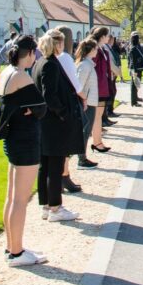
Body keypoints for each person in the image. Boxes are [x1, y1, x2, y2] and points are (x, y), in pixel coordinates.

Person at [0, 35, 49, 267]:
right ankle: (17, 252)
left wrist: (30, 109)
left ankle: (12, 246)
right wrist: (31, 109)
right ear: (28, 53)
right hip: (25, 139)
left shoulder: (6, 72)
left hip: (14, 138)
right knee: (20, 199)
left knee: (12, 197)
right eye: (34, 53)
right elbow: (41, 106)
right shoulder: (20, 76)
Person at [32, 29, 84, 223]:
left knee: (45, 165)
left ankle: (47, 205)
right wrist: (63, 113)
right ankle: (55, 207)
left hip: (46, 122)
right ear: (57, 44)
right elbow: (50, 95)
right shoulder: (51, 64)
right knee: (55, 165)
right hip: (54, 122)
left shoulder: (40, 63)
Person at [55, 27, 87, 186]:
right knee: (66, 142)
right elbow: (75, 83)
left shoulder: (51, 58)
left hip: (57, 102)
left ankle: (61, 175)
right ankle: (64, 175)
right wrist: (84, 97)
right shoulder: (65, 57)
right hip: (67, 102)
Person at [75, 38, 100, 169]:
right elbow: (79, 85)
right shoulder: (85, 65)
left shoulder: (88, 64)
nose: (97, 50)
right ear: (90, 50)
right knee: (85, 130)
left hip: (90, 100)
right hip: (87, 102)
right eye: (95, 48)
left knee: (87, 130)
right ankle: (81, 158)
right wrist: (84, 99)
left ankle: (82, 156)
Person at [128, 33, 143, 107]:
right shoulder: (133, 48)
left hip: (137, 69)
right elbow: (133, 61)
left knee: (137, 84)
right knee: (134, 85)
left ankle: (136, 97)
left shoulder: (136, 47)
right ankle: (134, 102)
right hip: (135, 69)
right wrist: (135, 71)